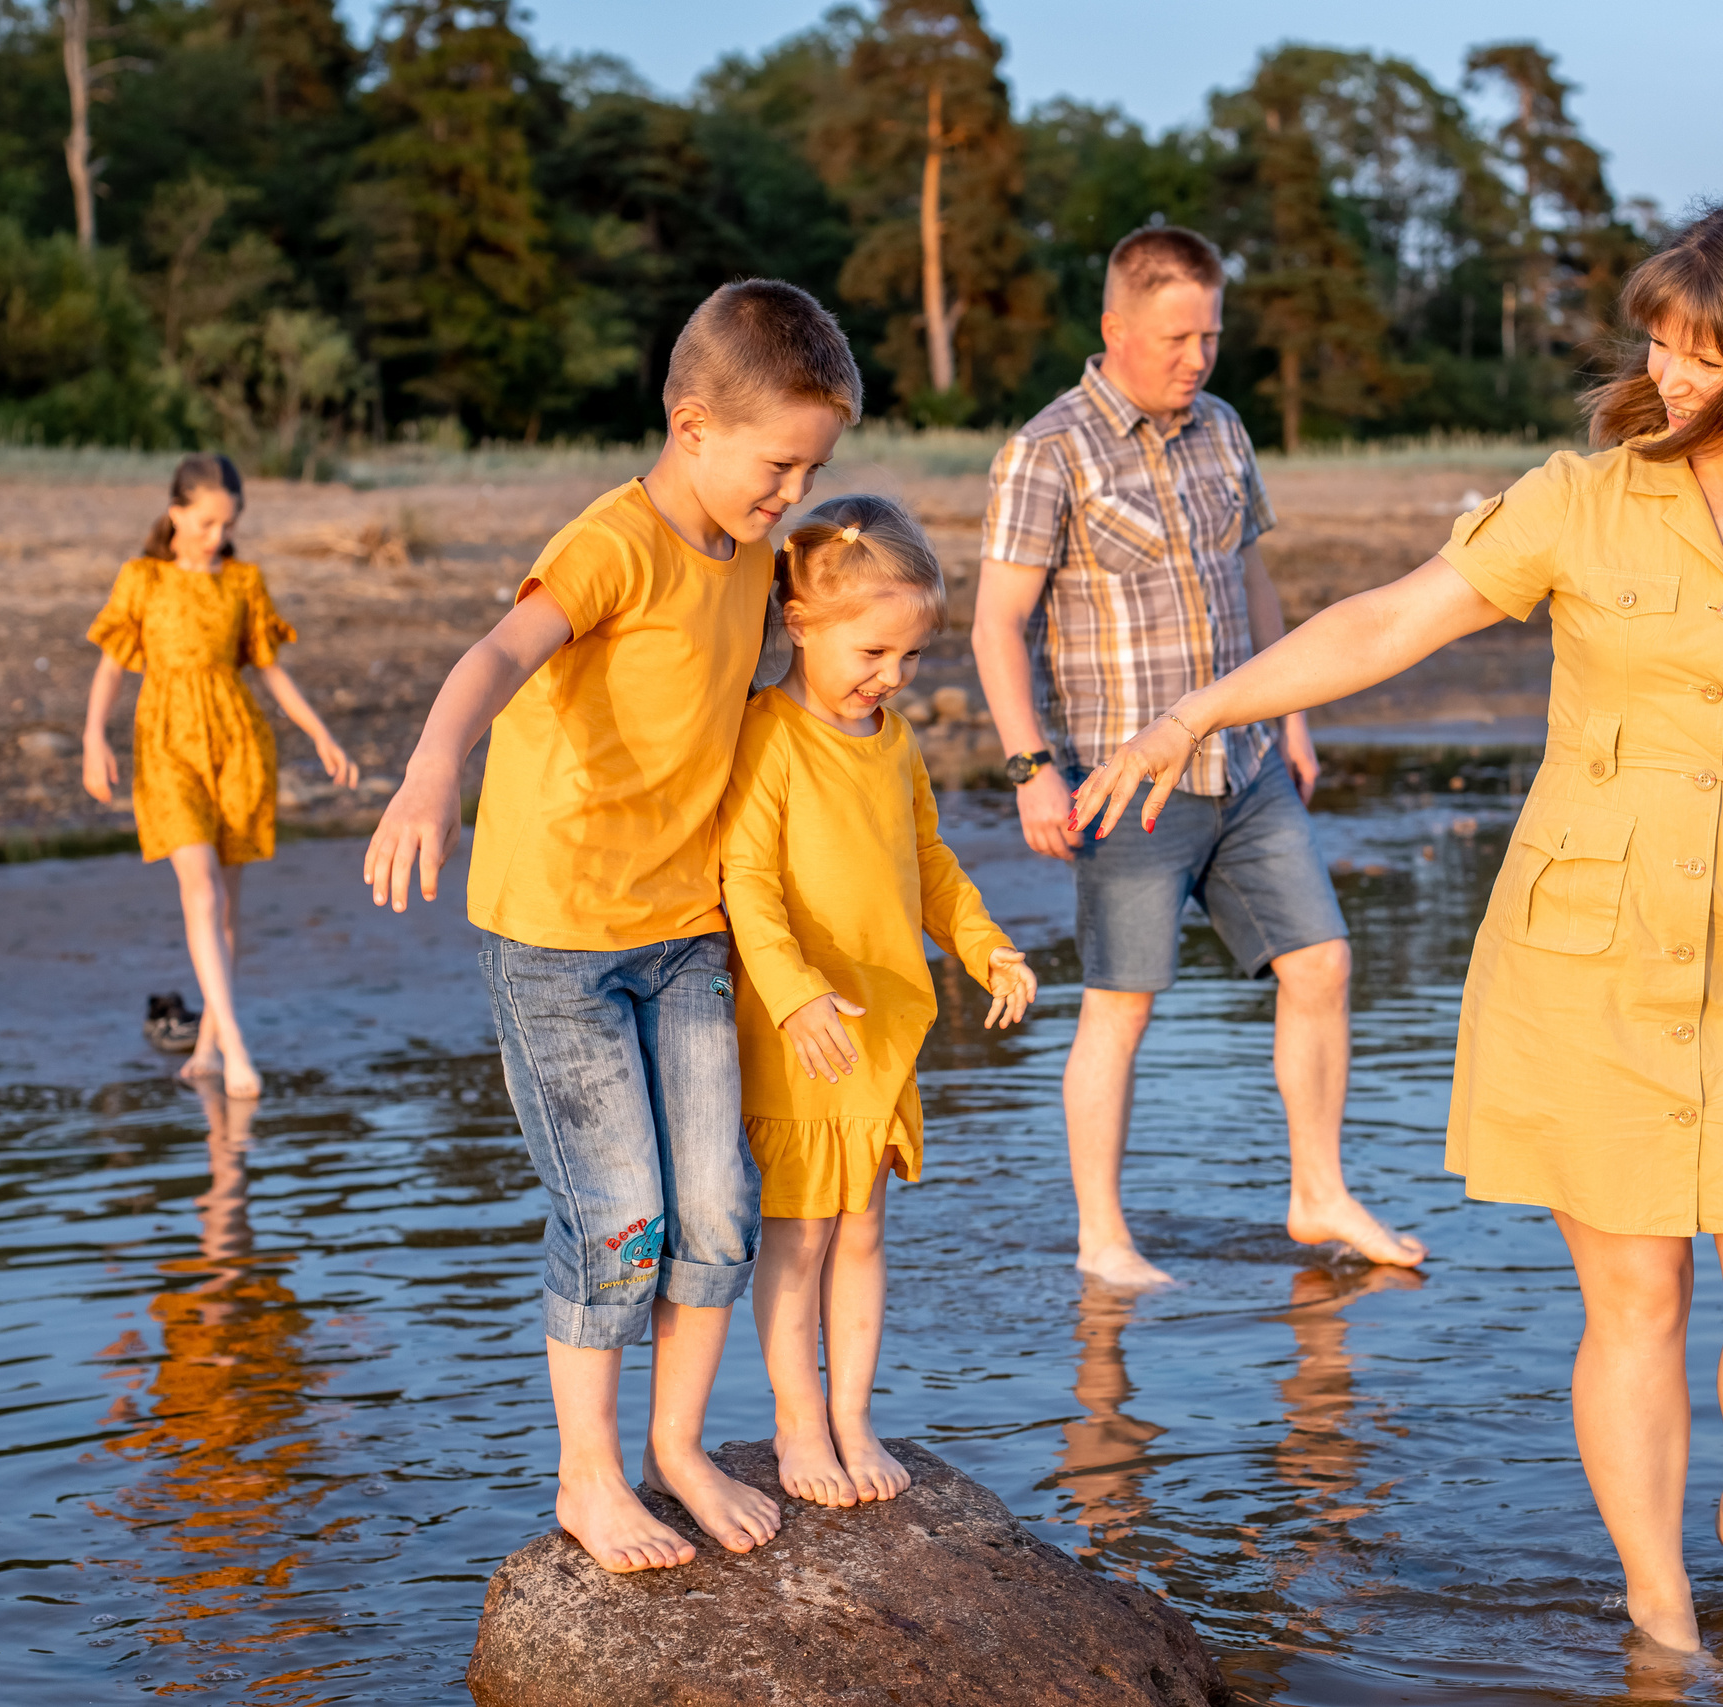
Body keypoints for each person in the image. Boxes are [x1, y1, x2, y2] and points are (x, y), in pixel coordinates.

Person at [1070, 199, 1723, 1656]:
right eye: (1659, 345)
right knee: (1639, 1295)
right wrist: (1200, 709)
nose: (1668, 377)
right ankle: (1659, 1603)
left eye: (1705, 354)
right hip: (1583, 947)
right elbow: (1386, 622)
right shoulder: (1579, 500)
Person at [360, 281, 861, 1574]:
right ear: (692, 425)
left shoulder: (754, 553)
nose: (793, 492)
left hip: (685, 929)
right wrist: (431, 771)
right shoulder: (610, 543)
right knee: (621, 1210)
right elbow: (496, 654)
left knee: (718, 1205)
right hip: (557, 938)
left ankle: (676, 1448)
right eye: (778, 465)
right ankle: (587, 1477)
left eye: (813, 469)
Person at [973, 224, 1425, 1288]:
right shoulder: (1047, 450)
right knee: (1120, 1003)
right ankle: (1102, 1239)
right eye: (1177, 338)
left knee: (1321, 963)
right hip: (1125, 779)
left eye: (1210, 335)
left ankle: (1318, 1192)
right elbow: (997, 625)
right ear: (1114, 327)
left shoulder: (1224, 428)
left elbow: (1253, 581)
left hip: (1250, 763)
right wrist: (1030, 767)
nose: (1197, 357)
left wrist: (1295, 718)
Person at [718, 494, 1038, 1509]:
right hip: (806, 1033)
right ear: (799, 624)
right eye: (871, 652)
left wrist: (985, 946)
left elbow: (929, 863)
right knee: (802, 1235)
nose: (892, 676)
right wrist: (794, 996)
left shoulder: (893, 741)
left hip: (885, 1028)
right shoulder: (767, 736)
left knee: (861, 1232)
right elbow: (745, 885)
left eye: (909, 656)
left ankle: (854, 1416)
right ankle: (797, 1422)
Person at [82, 452, 359, 1099]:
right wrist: (93, 737)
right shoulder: (141, 579)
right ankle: (234, 1043)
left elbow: (270, 671)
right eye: (206, 522)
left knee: (227, 905)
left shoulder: (243, 582)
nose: (217, 535)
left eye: (227, 524)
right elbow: (110, 666)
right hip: (165, 745)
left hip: (238, 744)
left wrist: (319, 732)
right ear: (176, 513)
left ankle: (207, 1045)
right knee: (200, 889)